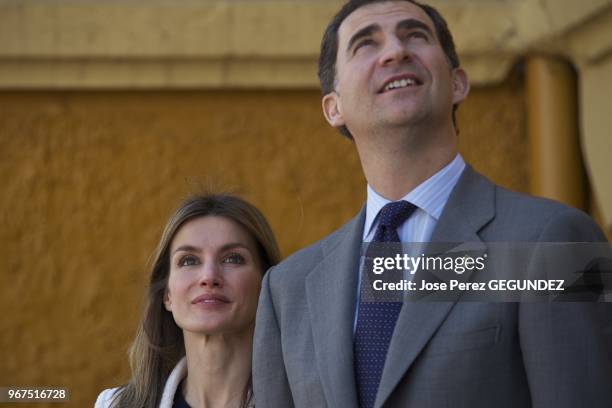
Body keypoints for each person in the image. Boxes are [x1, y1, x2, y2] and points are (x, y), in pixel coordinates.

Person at [252, 1, 612, 407]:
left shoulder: (553, 242)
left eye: (415, 36)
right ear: (333, 108)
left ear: (458, 82)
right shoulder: (289, 290)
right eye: (365, 44)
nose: (395, 52)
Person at [96, 193, 280, 408]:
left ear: (265, 284)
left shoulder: (309, 400)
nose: (209, 277)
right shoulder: (114, 405)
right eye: (188, 261)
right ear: (167, 295)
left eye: (233, 258)